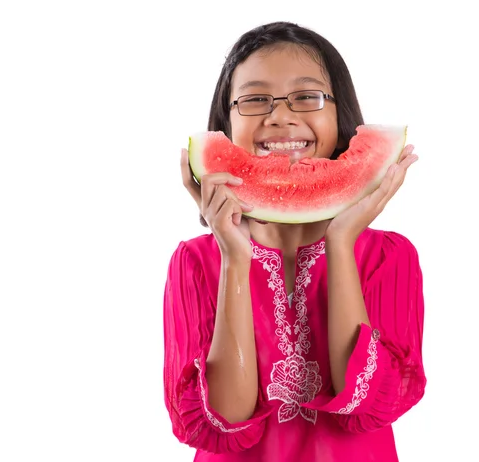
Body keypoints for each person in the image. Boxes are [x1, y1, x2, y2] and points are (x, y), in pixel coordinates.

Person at [163, 21, 426, 462]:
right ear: (224, 123)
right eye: (254, 99)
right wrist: (232, 256)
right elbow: (224, 421)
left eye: (307, 96)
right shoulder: (193, 262)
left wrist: (341, 244)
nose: (280, 116)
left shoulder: (389, 257)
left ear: (340, 116)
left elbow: (365, 407)